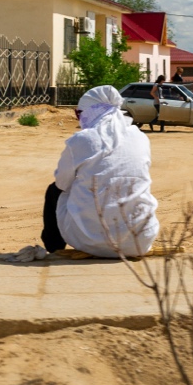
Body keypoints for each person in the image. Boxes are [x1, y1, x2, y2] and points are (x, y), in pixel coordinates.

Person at [41, 85, 159, 258]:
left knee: (54, 190)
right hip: (140, 240)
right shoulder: (140, 137)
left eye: (79, 114)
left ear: (90, 113)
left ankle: (54, 247)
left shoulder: (82, 140)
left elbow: (62, 183)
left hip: (91, 241)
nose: (79, 118)